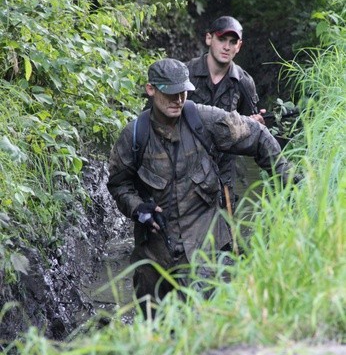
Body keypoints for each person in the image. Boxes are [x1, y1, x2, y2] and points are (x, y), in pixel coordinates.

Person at [107, 58, 294, 319]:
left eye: (183, 92)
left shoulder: (203, 120)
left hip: (207, 249)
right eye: (170, 93)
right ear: (151, 90)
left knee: (209, 325)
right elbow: (118, 183)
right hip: (155, 257)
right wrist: (139, 209)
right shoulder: (134, 136)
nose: (178, 100)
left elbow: (258, 136)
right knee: (155, 332)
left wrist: (292, 183)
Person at [186, 16, 265, 209]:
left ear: (239, 46)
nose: (226, 47)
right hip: (185, 169)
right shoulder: (186, 73)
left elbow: (251, 135)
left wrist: (254, 125)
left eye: (232, 42)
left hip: (224, 174)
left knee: (225, 236)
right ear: (209, 39)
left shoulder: (244, 83)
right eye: (221, 40)